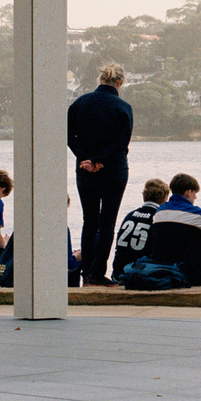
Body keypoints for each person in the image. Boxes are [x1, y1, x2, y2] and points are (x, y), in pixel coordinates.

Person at [67, 64, 135, 285]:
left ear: (100, 79)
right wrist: (100, 160)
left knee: (89, 221)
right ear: (119, 82)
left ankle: (86, 272)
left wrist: (87, 159)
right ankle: (97, 273)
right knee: (107, 222)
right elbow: (122, 142)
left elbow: (69, 136)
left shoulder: (79, 103)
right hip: (113, 169)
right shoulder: (123, 107)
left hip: (85, 169)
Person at [142, 173, 201, 287]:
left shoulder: (159, 212)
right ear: (188, 192)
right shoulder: (195, 213)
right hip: (189, 272)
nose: (195, 197)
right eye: (195, 193)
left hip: (162, 268)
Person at [112, 178, 168, 269]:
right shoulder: (158, 218)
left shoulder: (130, 215)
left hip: (119, 269)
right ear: (165, 198)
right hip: (140, 271)